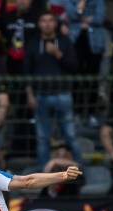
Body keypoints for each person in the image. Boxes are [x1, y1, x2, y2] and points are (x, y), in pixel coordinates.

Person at [25, 12, 81, 168]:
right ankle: (43, 175)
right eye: (43, 20)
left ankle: (80, 172)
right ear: (39, 24)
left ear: (55, 24)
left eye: (51, 20)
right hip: (40, 95)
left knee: (70, 135)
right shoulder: (33, 43)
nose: (47, 24)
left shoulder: (64, 41)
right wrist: (30, 95)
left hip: (63, 94)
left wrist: (58, 54)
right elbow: (26, 72)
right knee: (42, 137)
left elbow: (74, 66)